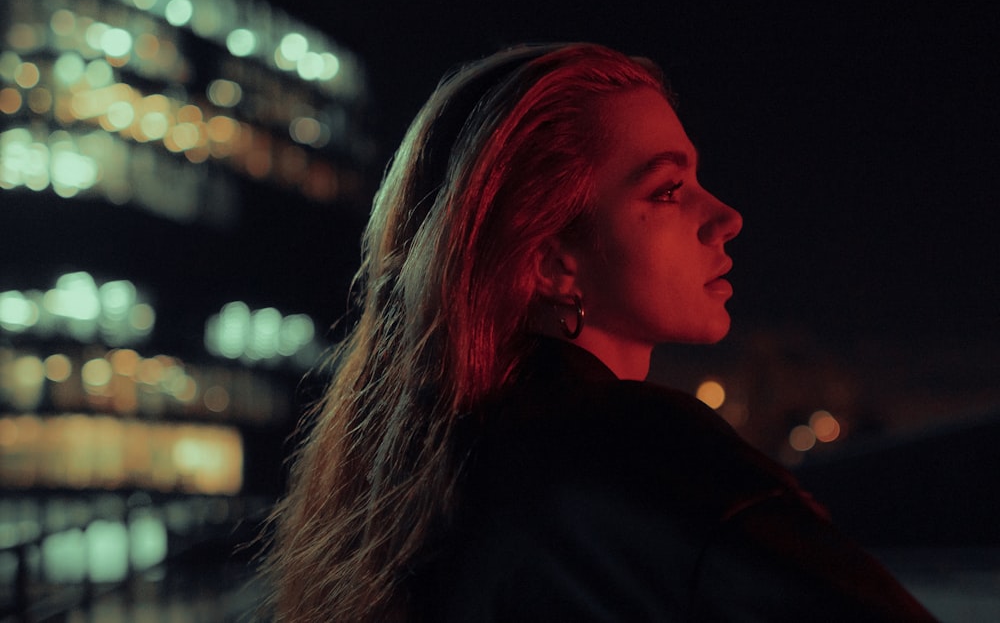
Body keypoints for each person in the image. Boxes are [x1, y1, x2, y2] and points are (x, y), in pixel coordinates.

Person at [262, 43, 934, 621]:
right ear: (552, 258)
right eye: (668, 189)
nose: (725, 215)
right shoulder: (645, 455)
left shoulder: (420, 490)